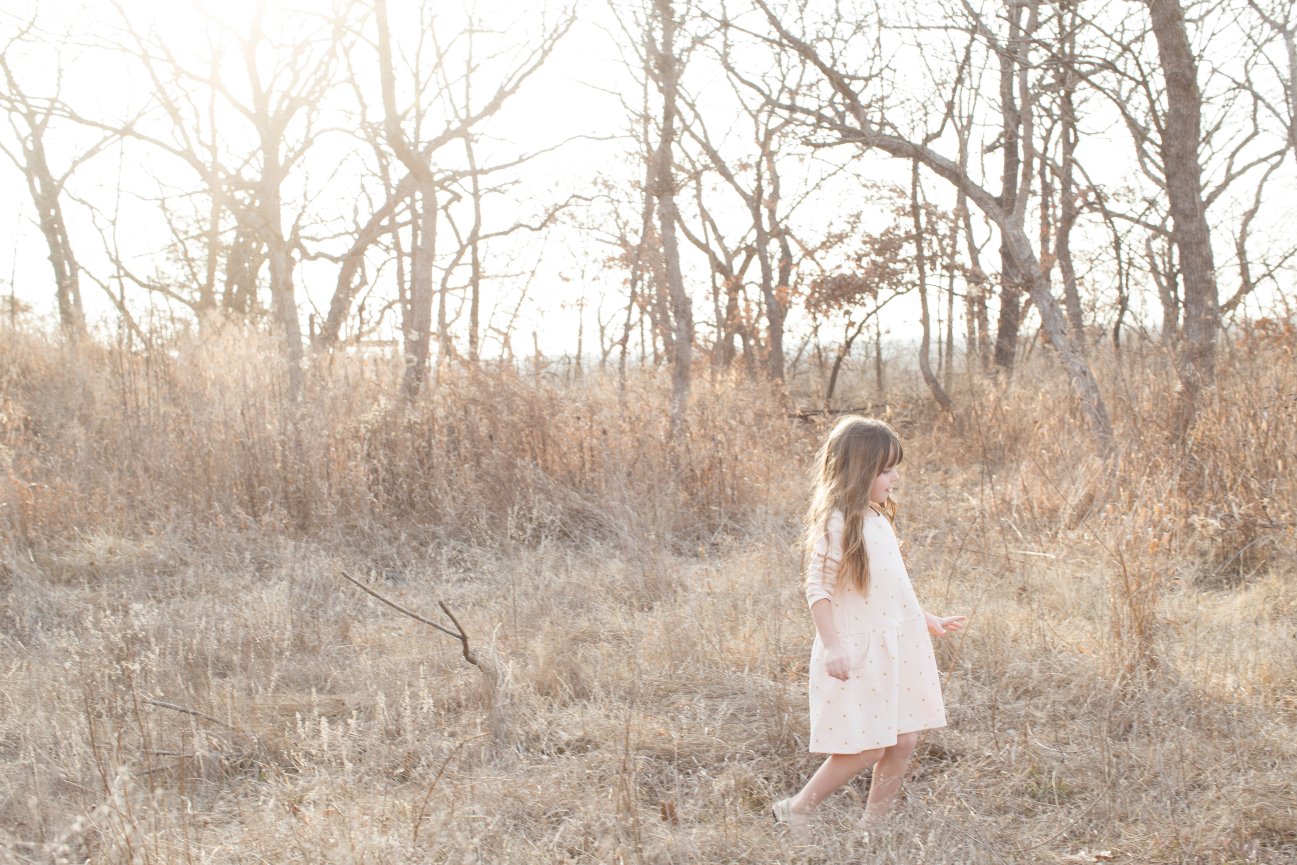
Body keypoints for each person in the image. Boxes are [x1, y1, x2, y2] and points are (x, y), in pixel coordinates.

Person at [772, 416, 967, 843]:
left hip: (896, 641)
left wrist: (924, 617)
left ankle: (871, 829)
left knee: (903, 741)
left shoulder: (877, 517)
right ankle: (796, 808)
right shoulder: (838, 522)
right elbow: (817, 588)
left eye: (895, 468)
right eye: (885, 469)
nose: (894, 477)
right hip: (857, 651)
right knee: (867, 746)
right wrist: (833, 645)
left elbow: (890, 585)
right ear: (860, 470)